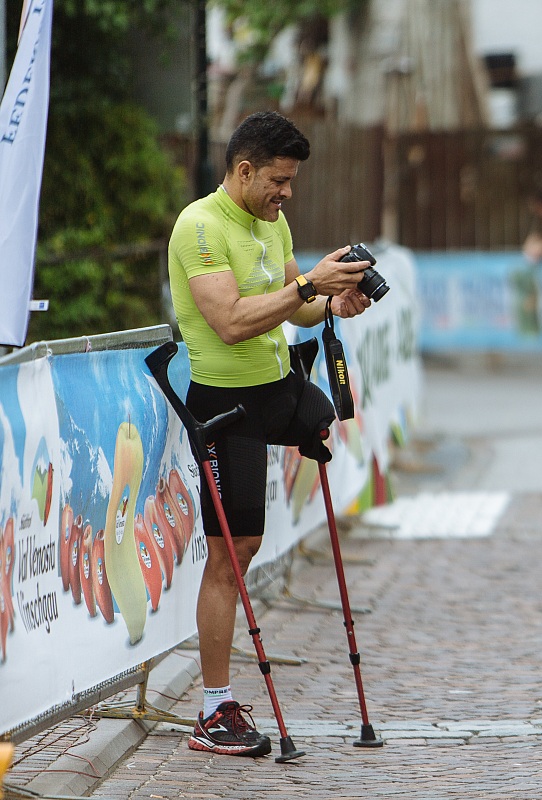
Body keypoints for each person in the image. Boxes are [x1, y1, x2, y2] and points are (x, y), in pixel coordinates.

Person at [167, 110, 375, 757]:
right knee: (233, 555)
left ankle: (222, 699)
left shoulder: (270, 221)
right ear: (244, 169)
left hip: (277, 387)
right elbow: (230, 321)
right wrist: (309, 285)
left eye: (291, 183)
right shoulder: (200, 227)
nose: (287, 194)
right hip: (226, 404)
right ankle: (213, 710)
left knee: (323, 415)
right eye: (278, 181)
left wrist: (332, 299)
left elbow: (296, 301)